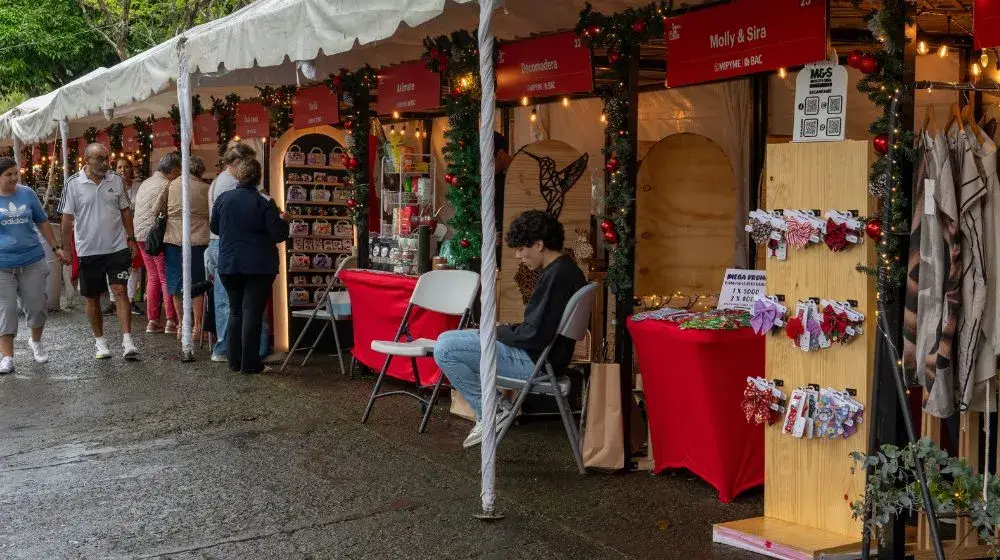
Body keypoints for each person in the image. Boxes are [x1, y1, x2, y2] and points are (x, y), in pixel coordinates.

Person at [433, 210, 586, 448]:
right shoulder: (567, 270)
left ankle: (492, 410)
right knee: (447, 338)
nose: (518, 256)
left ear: (539, 245)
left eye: (521, 249)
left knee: (445, 349)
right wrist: (503, 330)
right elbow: (539, 327)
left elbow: (534, 334)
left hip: (535, 362)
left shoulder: (556, 276)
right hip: (545, 358)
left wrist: (498, 332)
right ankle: (494, 408)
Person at [60, 143, 141, 360]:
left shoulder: (115, 180)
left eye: (107, 158)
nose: (106, 163)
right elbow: (66, 219)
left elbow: (125, 211)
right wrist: (66, 248)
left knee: (120, 290)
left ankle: (128, 342)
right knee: (92, 297)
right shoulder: (73, 183)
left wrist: (131, 238)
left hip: (117, 247)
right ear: (86, 159)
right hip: (88, 250)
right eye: (100, 159)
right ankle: (100, 342)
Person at [210, 158, 289, 374]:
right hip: (258, 265)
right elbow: (278, 234)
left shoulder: (224, 198)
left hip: (229, 263)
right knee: (252, 313)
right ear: (258, 177)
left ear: (238, 175)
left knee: (235, 311)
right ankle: (250, 363)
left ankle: (234, 361)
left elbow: (215, 227)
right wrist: (284, 220)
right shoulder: (265, 201)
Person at [0, 158, 70, 372]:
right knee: (6, 310)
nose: (14, 178)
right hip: (2, 264)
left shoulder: (27, 194)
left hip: (32, 259)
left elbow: (42, 221)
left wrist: (56, 247)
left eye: (15, 173)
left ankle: (36, 342)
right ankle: (7, 357)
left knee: (37, 306)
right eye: (8, 174)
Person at [205, 142, 268, 363]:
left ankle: (228, 349)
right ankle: (229, 349)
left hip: (219, 244)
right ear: (239, 162)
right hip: (230, 246)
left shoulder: (219, 181)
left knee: (228, 302)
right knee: (232, 304)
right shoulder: (231, 184)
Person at [164, 156, 211, 342]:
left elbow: (157, 208)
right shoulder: (206, 189)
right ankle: (198, 327)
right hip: (198, 240)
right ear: (200, 171)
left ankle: (182, 325)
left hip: (173, 239)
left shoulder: (171, 185)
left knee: (177, 284)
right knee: (197, 284)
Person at [133, 153, 180, 334]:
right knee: (165, 276)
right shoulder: (167, 185)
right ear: (173, 170)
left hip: (141, 236)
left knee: (153, 276)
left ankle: (152, 320)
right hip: (157, 236)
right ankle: (170, 320)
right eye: (178, 172)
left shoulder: (146, 183)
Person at [106, 157, 144, 316]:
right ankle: (113, 300)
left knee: (133, 266)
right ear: (115, 170)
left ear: (131, 169)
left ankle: (130, 299)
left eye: (126, 167)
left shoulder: (139, 187)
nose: (123, 170)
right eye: (120, 167)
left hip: (133, 230)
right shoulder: (109, 186)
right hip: (114, 230)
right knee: (112, 265)